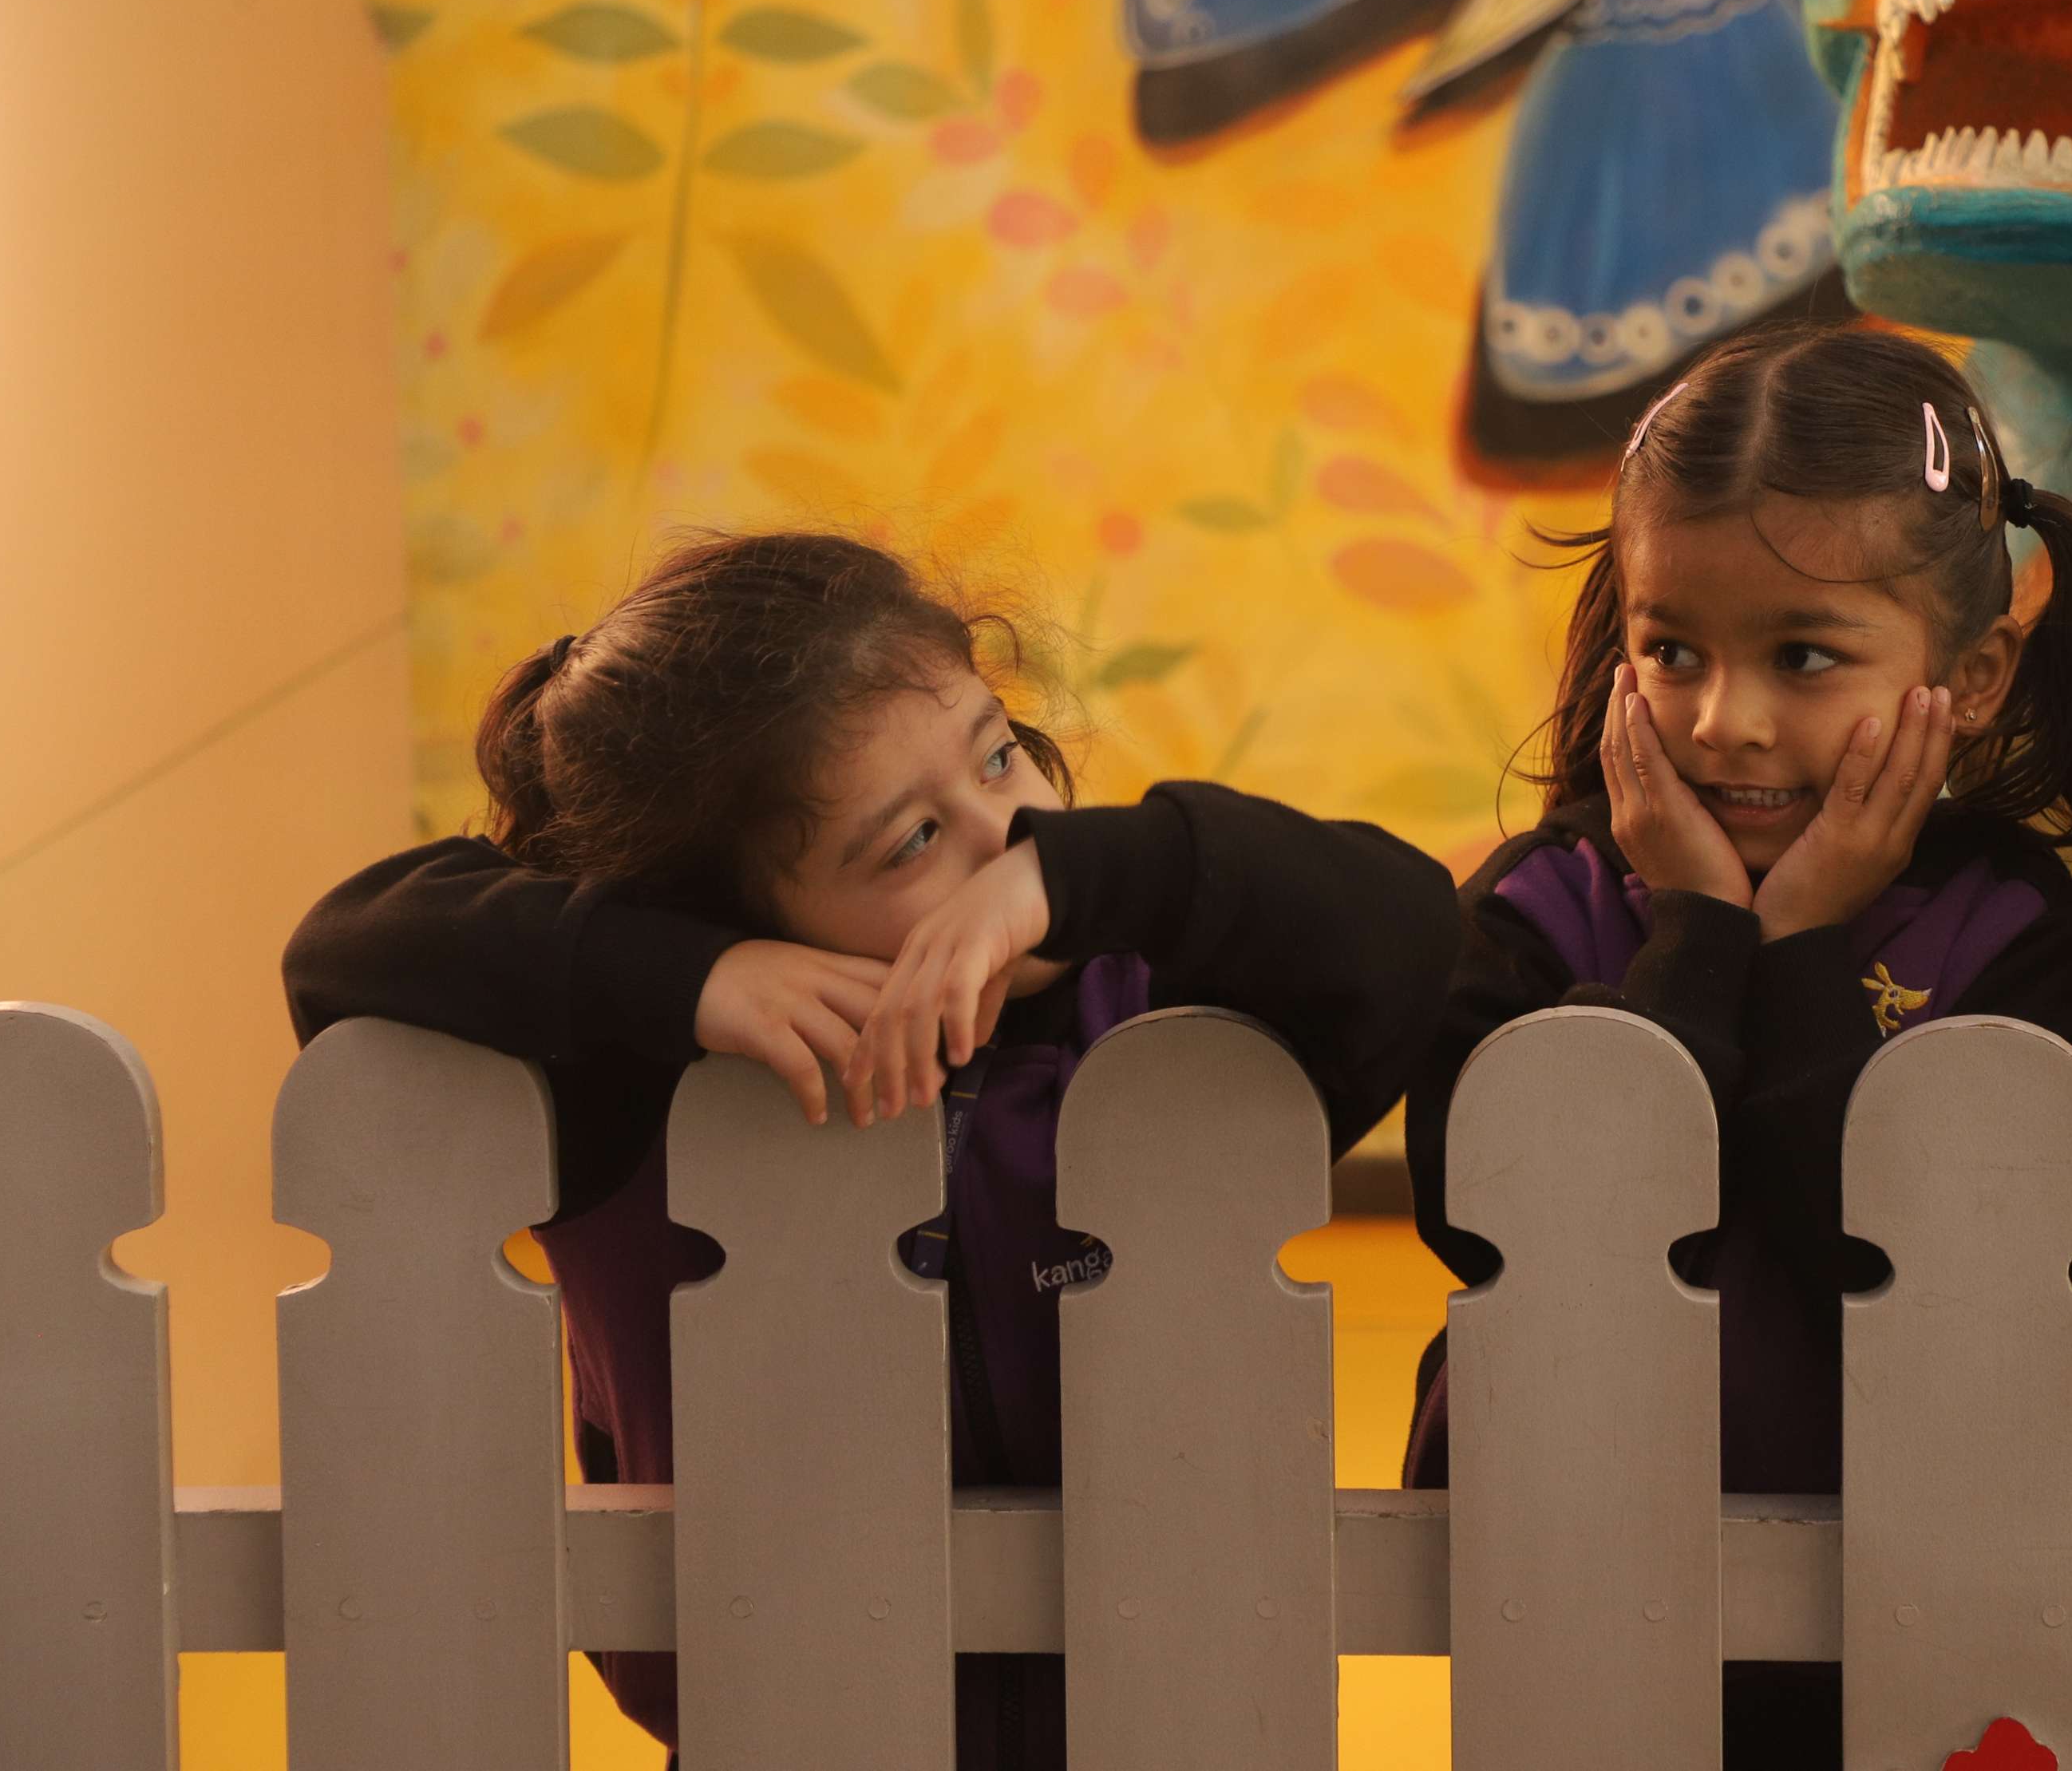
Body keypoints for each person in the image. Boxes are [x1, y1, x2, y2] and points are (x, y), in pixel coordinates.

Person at [279, 532, 1454, 1770]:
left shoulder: (1161, 1028)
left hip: (1178, 1729)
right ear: (740, 917)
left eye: (998, 756)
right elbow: (340, 950)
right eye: (910, 842)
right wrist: (689, 977)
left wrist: (1084, 875)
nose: (1003, 834)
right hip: (779, 1735)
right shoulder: (644, 1099)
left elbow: (1411, 924)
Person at [1402, 322, 2072, 1764]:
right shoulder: (1543, 909)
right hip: (1571, 1595)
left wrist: (1803, 947)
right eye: (1671, 650)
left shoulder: (2013, 935)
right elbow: (1502, 1222)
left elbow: (1929, 1273)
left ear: (1975, 674)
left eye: (1804, 655)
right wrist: (1700, 937)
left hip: (1922, 1606)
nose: (1724, 721)